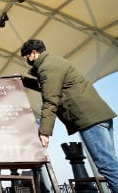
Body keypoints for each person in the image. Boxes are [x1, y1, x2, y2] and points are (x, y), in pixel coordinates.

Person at [20, 39, 118, 192]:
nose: (27, 61)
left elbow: (50, 100)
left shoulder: (47, 67)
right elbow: (48, 87)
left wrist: (45, 132)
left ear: (33, 53)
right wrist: (24, 81)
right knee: (112, 164)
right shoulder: (54, 62)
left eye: (26, 57)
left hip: (88, 120)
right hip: (100, 116)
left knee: (107, 166)